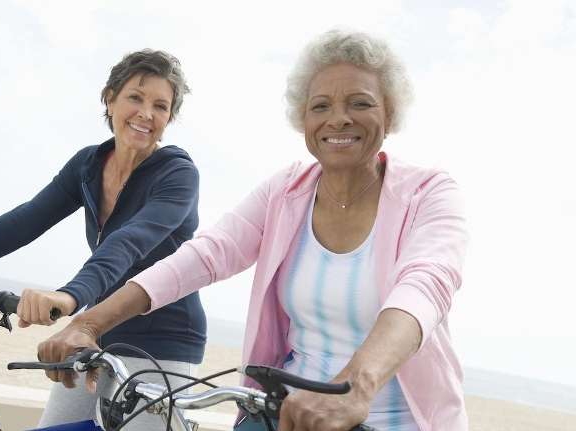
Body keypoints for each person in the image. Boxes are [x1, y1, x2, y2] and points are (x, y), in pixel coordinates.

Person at [37, 29, 469, 431]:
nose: (339, 119)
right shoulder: (286, 192)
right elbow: (205, 256)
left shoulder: (429, 193)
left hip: (393, 419)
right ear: (303, 119)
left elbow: (424, 287)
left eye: (360, 103)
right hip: (289, 414)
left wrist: (355, 387)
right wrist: (89, 324)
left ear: (389, 112)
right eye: (321, 106)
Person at [0, 49, 206, 430]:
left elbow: (128, 243)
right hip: (93, 332)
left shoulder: (177, 176)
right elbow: (26, 221)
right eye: (135, 98)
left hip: (161, 343)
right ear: (110, 98)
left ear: (169, 118)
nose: (146, 113)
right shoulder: (89, 164)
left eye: (161, 106)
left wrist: (70, 296)